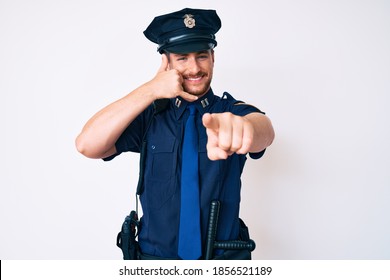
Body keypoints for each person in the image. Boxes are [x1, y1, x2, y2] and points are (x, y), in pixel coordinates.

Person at [75, 8, 274, 260]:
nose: (194, 68)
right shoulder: (150, 116)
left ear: (213, 57)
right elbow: (86, 144)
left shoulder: (229, 112)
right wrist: (149, 90)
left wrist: (246, 129)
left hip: (224, 262)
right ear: (166, 62)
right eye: (182, 58)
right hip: (155, 263)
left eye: (202, 56)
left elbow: (263, 130)